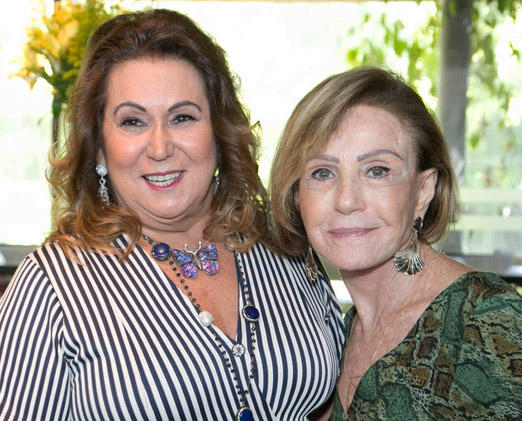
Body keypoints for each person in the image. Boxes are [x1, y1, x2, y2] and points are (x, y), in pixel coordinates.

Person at [0, 9, 345, 421]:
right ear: (99, 148)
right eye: (133, 122)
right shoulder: (51, 286)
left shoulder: (285, 246)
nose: (160, 147)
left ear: (219, 132)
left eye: (182, 117)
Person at [270, 66, 522, 420]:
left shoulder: (486, 318)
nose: (346, 200)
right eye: (322, 173)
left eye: (377, 170)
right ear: (297, 197)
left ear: (423, 191)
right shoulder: (333, 340)